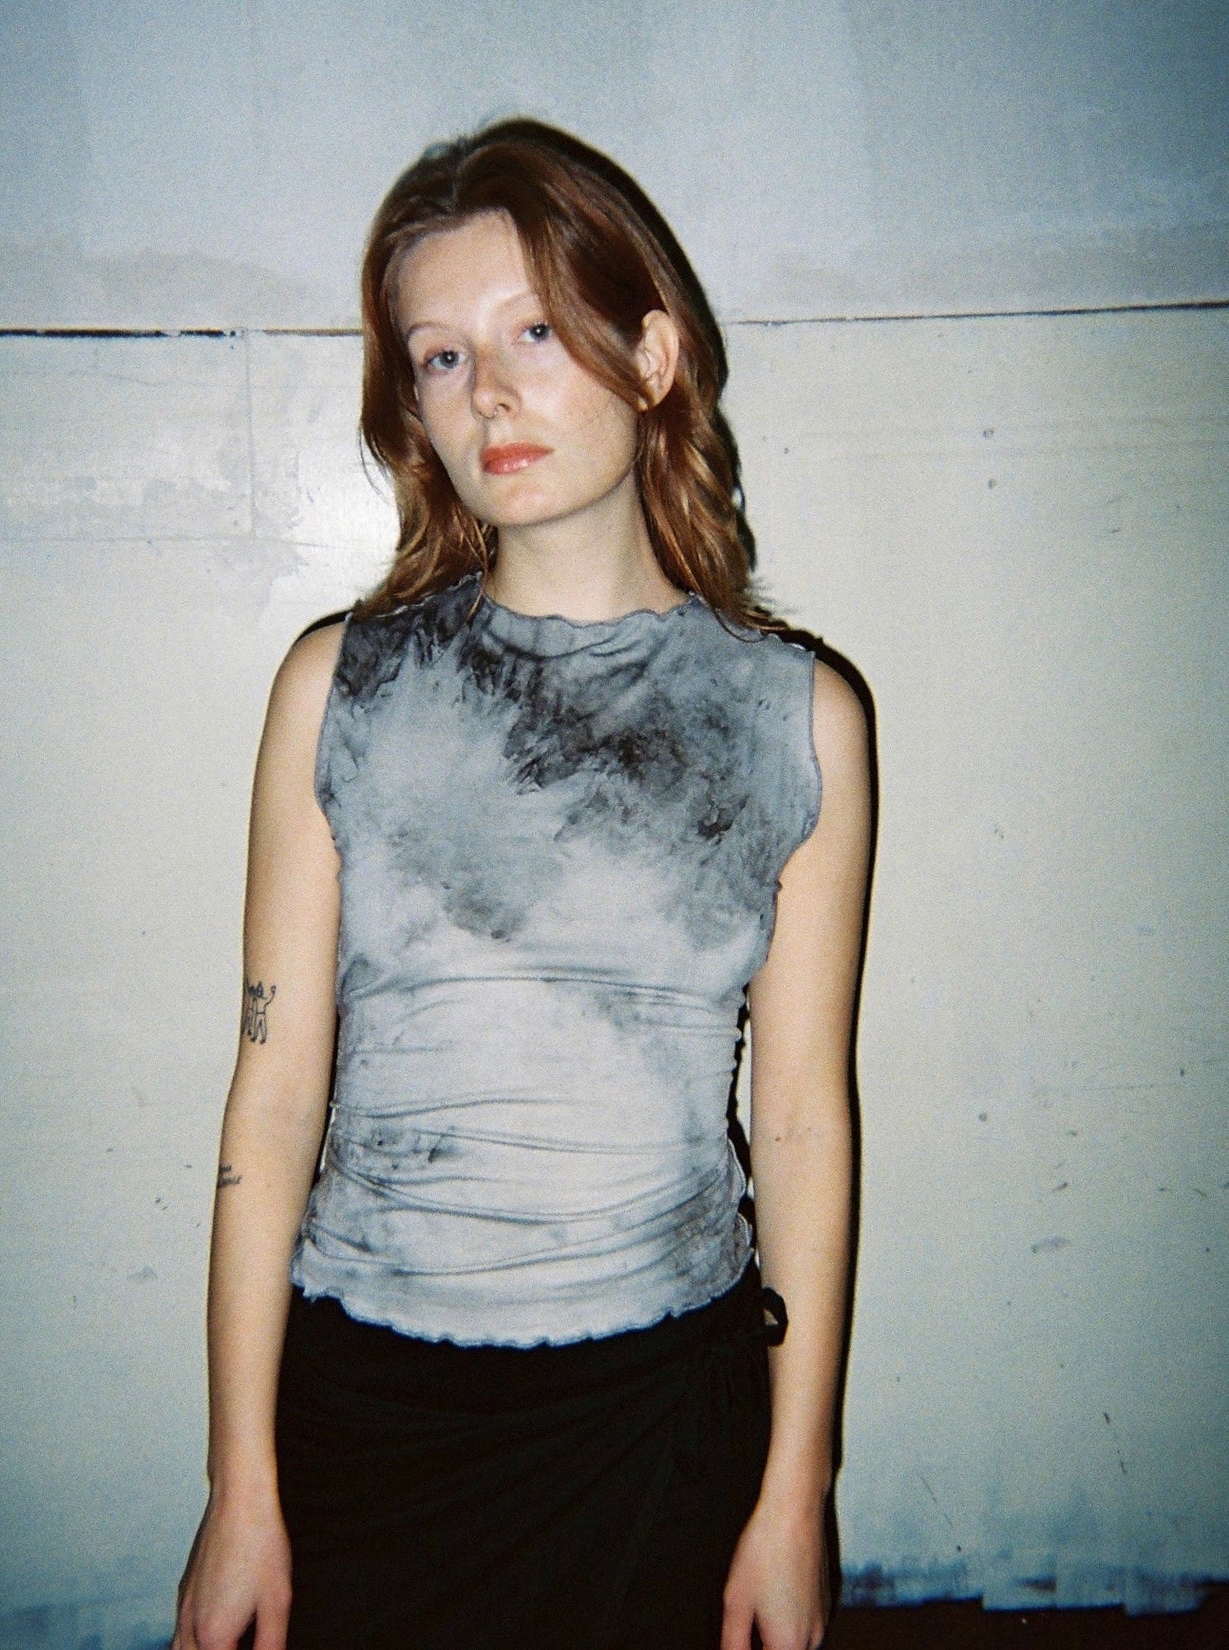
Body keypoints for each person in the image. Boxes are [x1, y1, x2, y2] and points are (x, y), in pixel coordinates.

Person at [172, 119, 870, 1650]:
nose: (486, 389)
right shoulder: (338, 690)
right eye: (440, 356)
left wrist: (794, 1488)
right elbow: (272, 1100)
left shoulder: (800, 717)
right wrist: (240, 1486)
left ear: (653, 354)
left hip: (657, 1419)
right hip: (374, 1415)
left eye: (535, 331)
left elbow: (804, 1119)